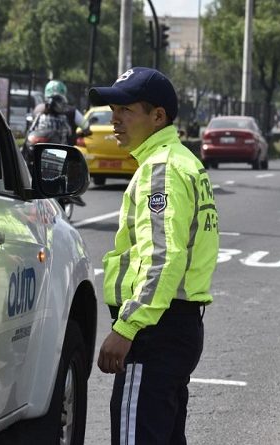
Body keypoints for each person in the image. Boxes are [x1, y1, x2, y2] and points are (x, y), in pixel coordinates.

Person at [90, 67, 219, 445]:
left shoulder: (161, 169)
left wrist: (126, 328)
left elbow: (163, 257)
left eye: (126, 110)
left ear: (157, 116)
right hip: (176, 325)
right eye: (113, 109)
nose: (114, 119)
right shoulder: (182, 161)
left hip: (154, 331)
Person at [31, 79, 84, 146]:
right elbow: (70, 133)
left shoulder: (38, 112)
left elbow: (31, 130)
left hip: (39, 150)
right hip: (60, 151)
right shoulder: (65, 117)